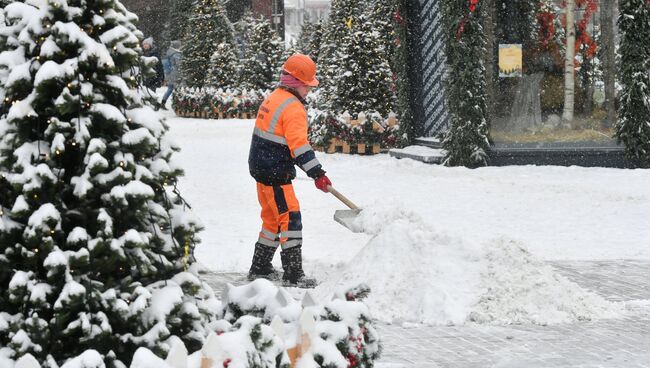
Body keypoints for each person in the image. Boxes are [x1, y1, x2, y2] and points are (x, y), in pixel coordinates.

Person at [247, 53, 332, 288]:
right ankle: (293, 273)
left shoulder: (274, 98)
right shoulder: (293, 108)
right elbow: (299, 146)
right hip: (275, 173)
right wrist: (318, 173)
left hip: (261, 169)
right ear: (297, 83)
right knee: (290, 217)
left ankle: (260, 266)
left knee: (272, 218)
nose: (309, 91)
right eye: (307, 86)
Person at [161, 40, 182, 109]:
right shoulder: (176, 54)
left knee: (170, 89)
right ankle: (177, 105)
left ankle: (163, 102)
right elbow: (179, 64)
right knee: (177, 90)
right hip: (175, 74)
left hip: (169, 73)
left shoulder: (169, 53)